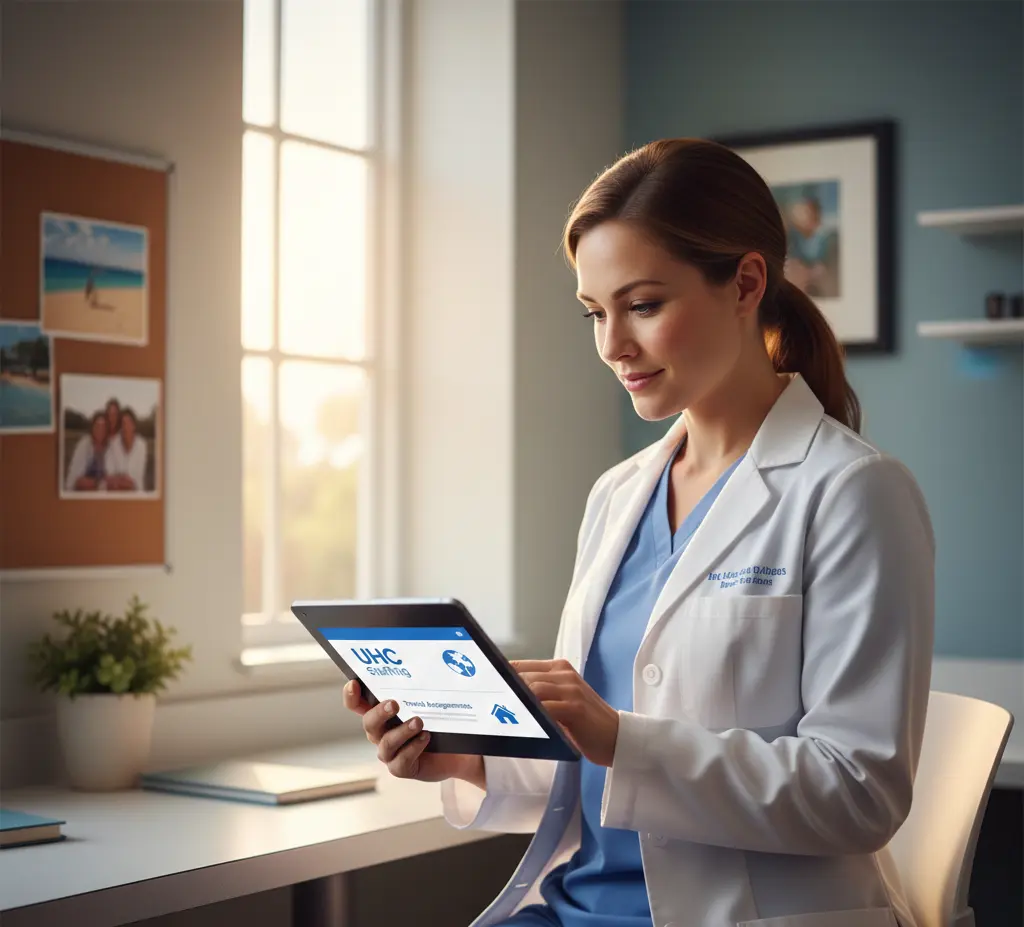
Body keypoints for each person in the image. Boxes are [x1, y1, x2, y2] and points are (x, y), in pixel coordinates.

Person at [344, 138, 935, 927]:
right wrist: (464, 755)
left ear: (746, 283)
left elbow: (858, 793)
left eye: (644, 304)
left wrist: (623, 736)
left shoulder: (855, 492)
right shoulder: (618, 494)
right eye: (596, 311)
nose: (612, 344)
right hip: (574, 907)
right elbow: (586, 762)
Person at [104, 406, 147, 492]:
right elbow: (109, 477)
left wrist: (119, 478)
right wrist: (122, 480)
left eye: (129, 423)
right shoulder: (113, 444)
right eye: (123, 423)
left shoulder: (141, 445)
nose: (126, 427)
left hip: (136, 495)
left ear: (134, 426)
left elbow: (135, 481)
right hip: (115, 495)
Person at [65, 411, 109, 491]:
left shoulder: (109, 447)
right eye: (97, 426)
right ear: (92, 428)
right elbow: (75, 481)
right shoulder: (84, 445)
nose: (100, 430)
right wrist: (98, 484)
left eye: (103, 427)